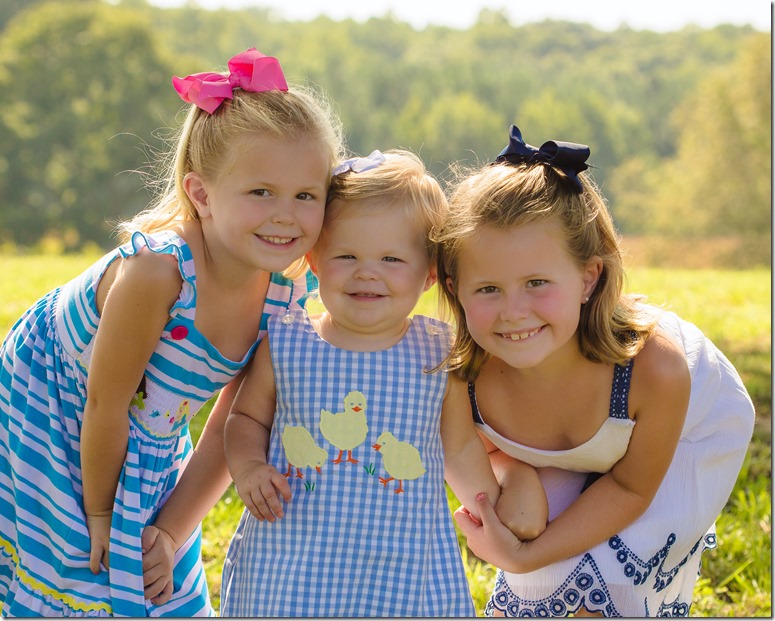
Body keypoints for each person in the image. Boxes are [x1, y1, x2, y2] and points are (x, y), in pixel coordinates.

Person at [0, 47, 344, 617]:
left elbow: (236, 423)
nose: (286, 214)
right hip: (56, 406)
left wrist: (171, 530)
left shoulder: (283, 299)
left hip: (150, 425)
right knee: (87, 567)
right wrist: (101, 515)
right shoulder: (158, 273)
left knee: (160, 576)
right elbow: (104, 405)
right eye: (261, 192)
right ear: (202, 195)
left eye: (305, 195)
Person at [437, 125, 756, 617]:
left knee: (604, 587)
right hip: (592, 438)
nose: (513, 312)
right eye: (488, 289)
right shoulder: (463, 376)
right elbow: (473, 452)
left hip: (687, 430)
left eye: (536, 283)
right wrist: (514, 473)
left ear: (588, 278)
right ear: (454, 289)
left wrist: (525, 558)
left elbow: (630, 489)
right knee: (534, 569)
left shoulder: (656, 370)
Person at [219, 149, 506, 617]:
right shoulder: (288, 342)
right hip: (291, 556)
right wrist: (249, 467)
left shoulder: (437, 354)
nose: (367, 272)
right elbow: (246, 417)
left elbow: (457, 447)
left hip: (402, 562)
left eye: (392, 258)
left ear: (430, 273)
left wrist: (490, 508)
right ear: (314, 259)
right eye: (346, 255)